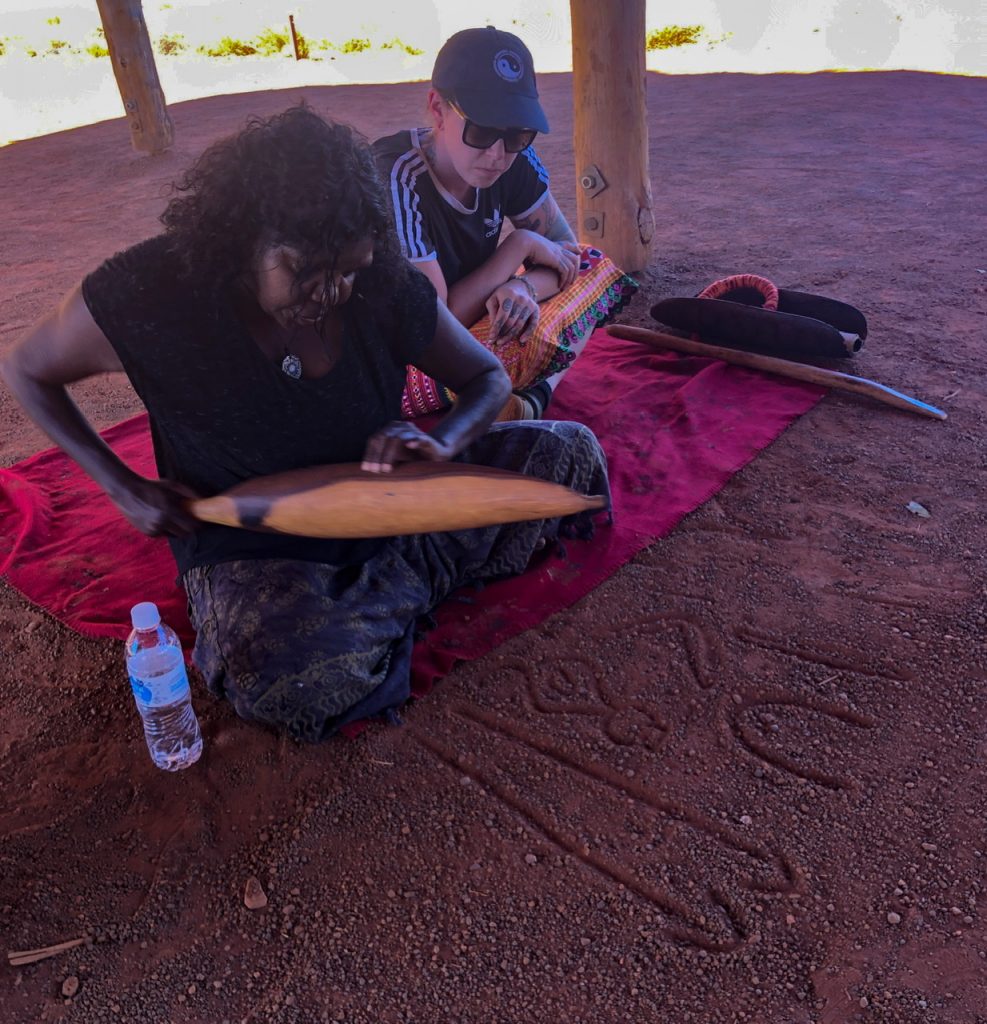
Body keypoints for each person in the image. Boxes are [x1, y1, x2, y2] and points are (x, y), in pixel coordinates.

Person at [0, 106, 610, 743]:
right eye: (308, 271)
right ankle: (392, 589)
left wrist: (440, 441)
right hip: (259, 542)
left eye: (348, 270)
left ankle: (376, 595)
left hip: (396, 503)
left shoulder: (379, 283)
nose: (332, 292)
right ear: (242, 241)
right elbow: (26, 370)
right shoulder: (152, 294)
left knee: (570, 457)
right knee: (280, 677)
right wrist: (120, 483)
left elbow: (486, 378)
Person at [374, 26, 637, 421]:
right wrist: (519, 246)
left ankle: (526, 404)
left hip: (468, 316)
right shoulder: (396, 176)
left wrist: (524, 285)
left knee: (589, 266)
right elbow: (431, 322)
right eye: (481, 130)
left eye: (517, 134)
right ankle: (504, 392)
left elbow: (571, 258)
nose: (498, 154)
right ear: (438, 110)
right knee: (505, 328)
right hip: (401, 355)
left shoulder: (514, 161)